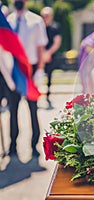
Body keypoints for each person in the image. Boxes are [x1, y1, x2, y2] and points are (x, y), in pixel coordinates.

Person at [7, 0, 48, 159]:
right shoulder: (7, 21)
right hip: (13, 70)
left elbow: (40, 47)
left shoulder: (36, 21)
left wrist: (40, 69)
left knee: (33, 109)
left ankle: (34, 144)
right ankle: (12, 145)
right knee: (13, 109)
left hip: (30, 69)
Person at [41, 6, 62, 109]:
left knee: (49, 76)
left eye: (47, 15)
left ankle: (48, 96)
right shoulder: (39, 27)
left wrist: (48, 53)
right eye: (43, 16)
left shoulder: (55, 27)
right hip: (39, 55)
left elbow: (57, 42)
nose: (45, 17)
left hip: (50, 55)